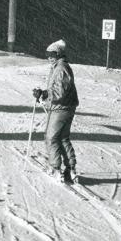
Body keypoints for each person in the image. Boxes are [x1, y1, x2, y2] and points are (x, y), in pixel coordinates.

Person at [33, 39, 79, 183]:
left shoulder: (61, 68)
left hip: (61, 108)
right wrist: (43, 93)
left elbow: (59, 93)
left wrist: (45, 95)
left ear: (58, 54)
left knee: (51, 137)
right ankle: (70, 169)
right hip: (64, 107)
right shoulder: (58, 67)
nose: (49, 57)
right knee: (62, 138)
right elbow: (57, 90)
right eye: (47, 54)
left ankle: (56, 168)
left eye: (52, 54)